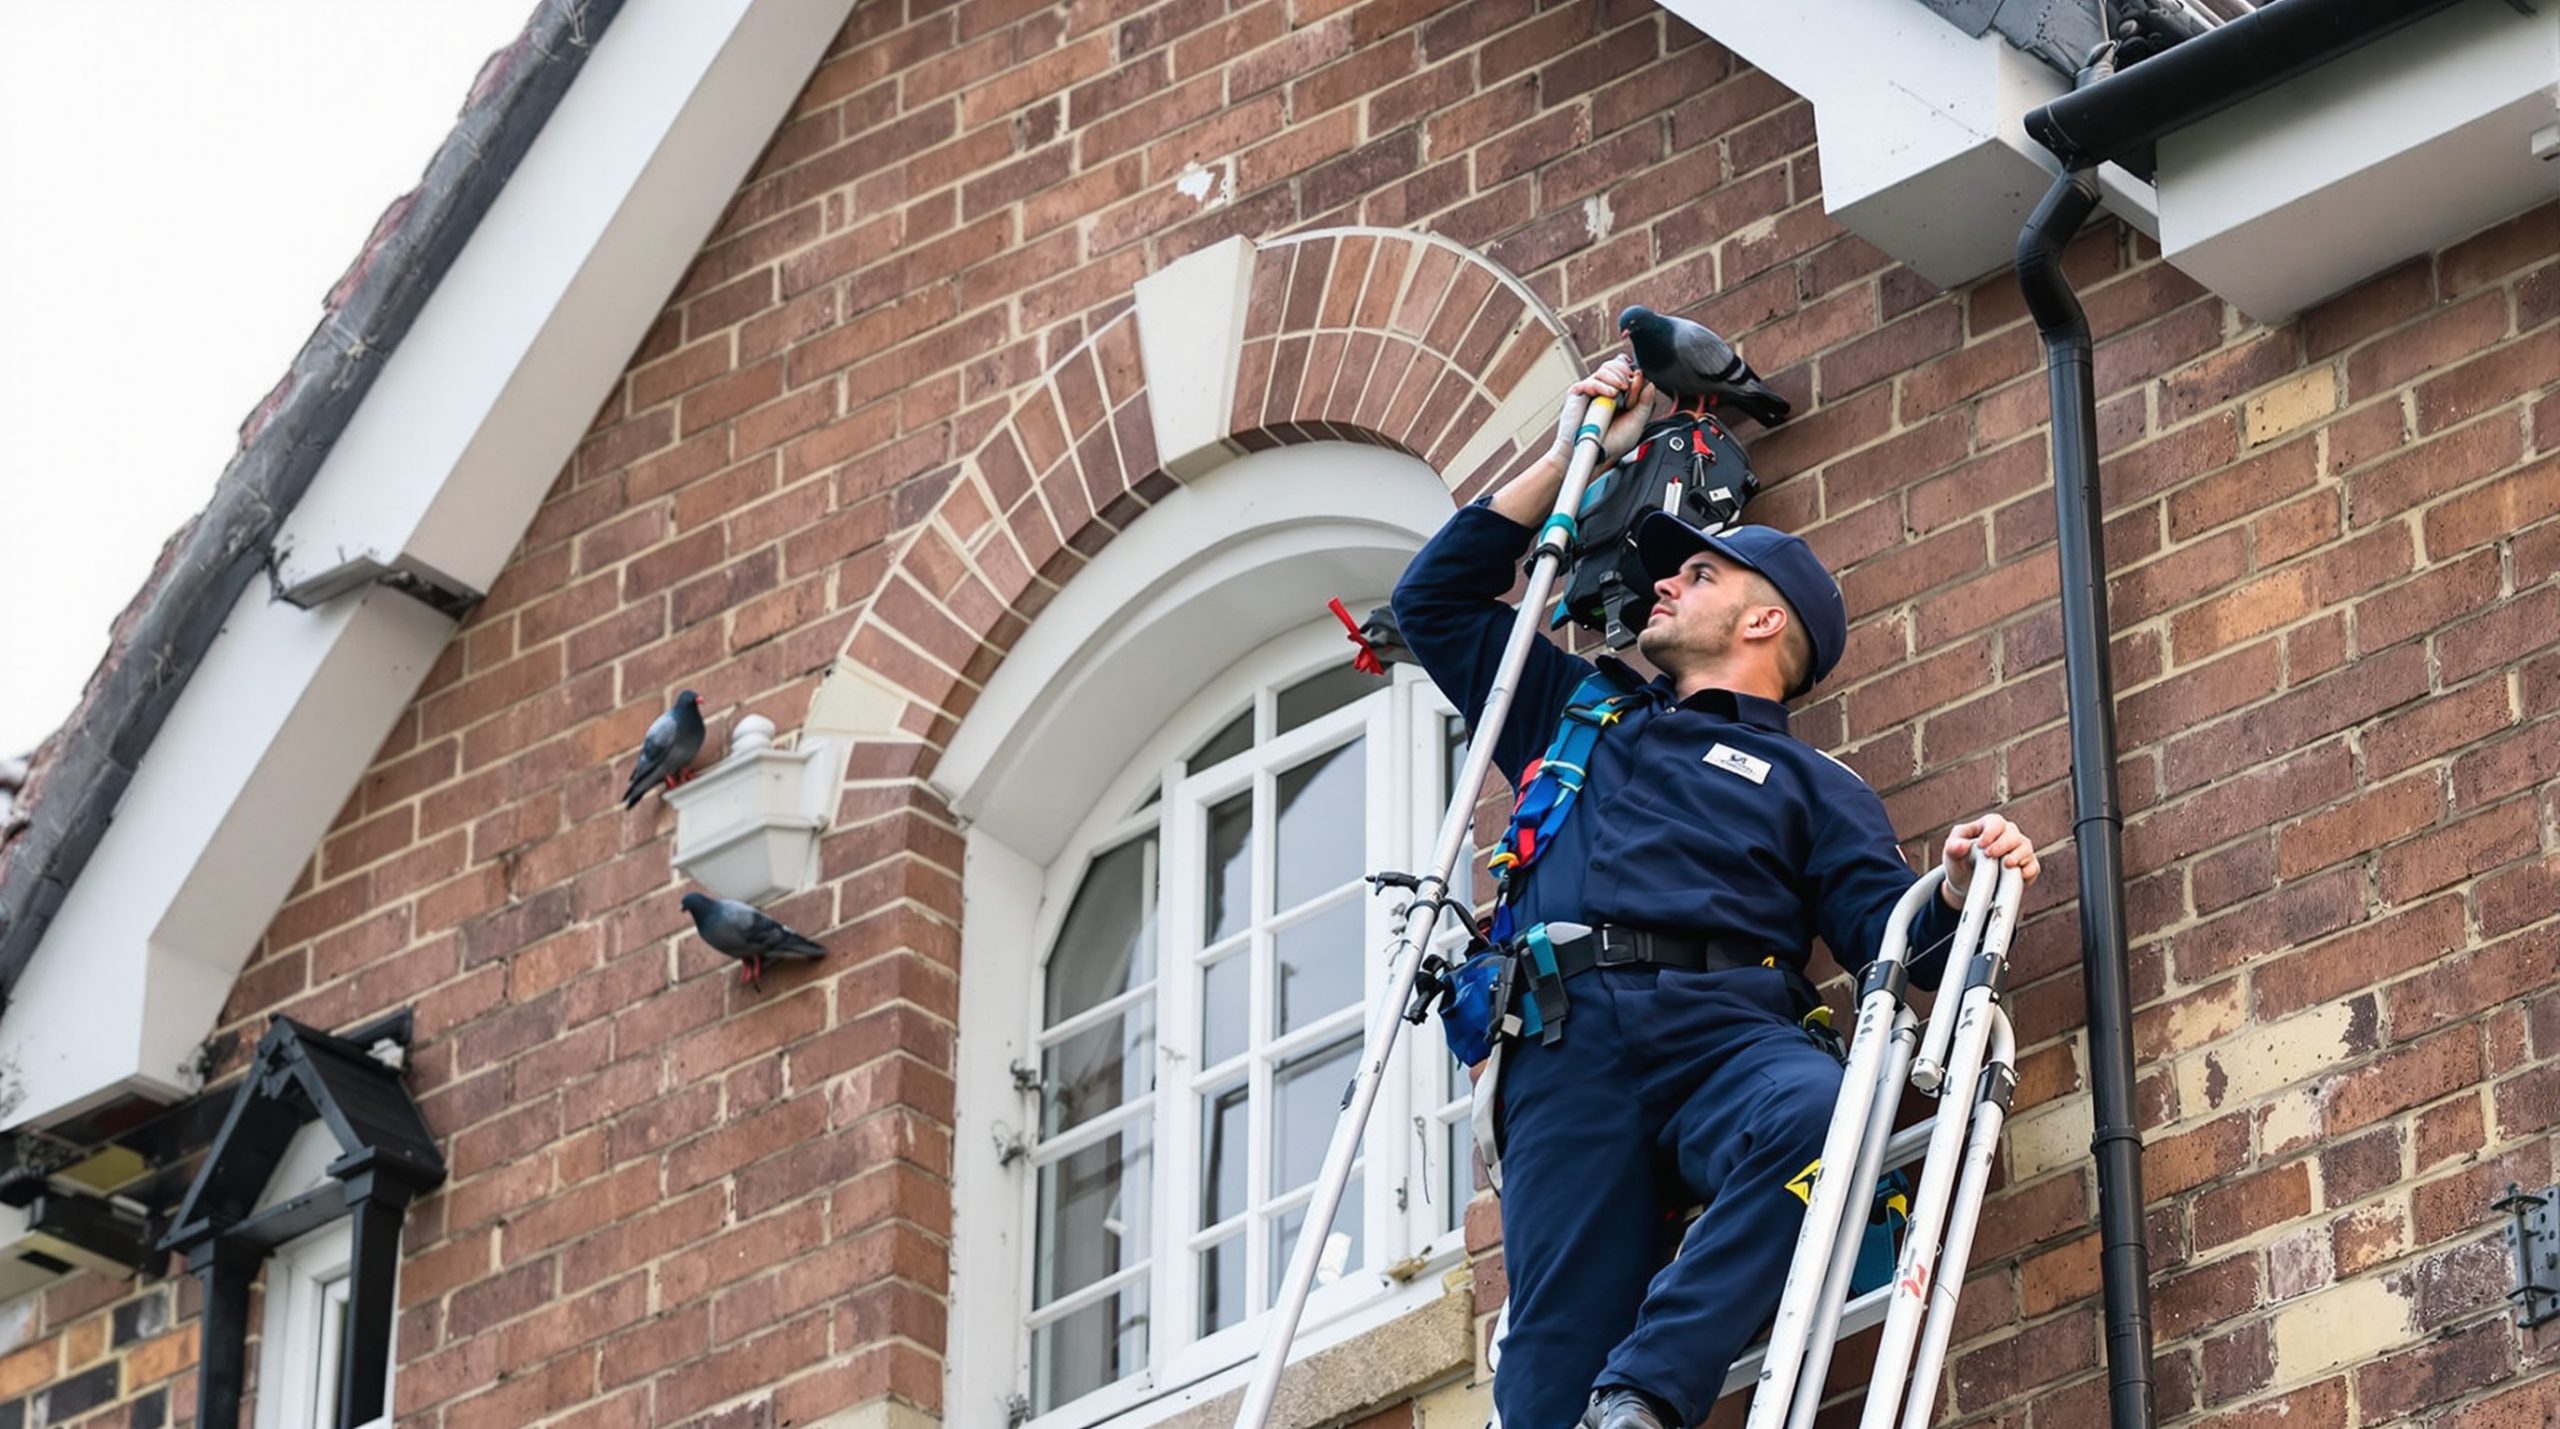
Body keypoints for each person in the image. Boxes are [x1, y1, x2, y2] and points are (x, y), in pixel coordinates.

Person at [1390, 356, 2043, 1429]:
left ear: (1765, 622)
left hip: (1723, 1030)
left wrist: (1960, 882)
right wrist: (1568, 461)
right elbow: (1432, 601)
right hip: (1562, 1044)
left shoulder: (1812, 783)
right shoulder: (1574, 709)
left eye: (1695, 575)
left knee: (1827, 1112)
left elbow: (1899, 946)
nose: (1661, 585)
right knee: (1543, 1375)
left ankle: (1644, 1398)